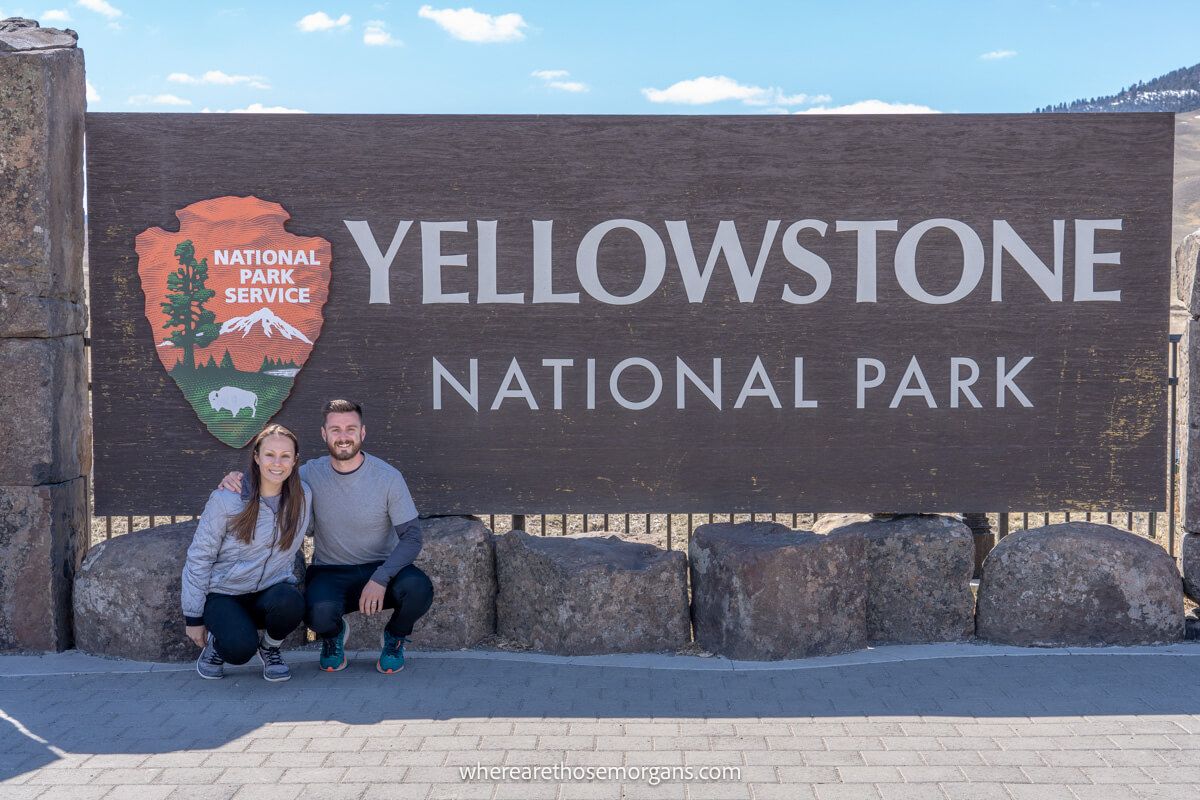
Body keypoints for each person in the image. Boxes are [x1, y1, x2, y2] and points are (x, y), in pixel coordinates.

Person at [221, 399, 433, 674]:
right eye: (335, 430)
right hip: (331, 570)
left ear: (362, 433)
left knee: (419, 589)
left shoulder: (388, 477)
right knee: (316, 615)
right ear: (324, 434)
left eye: (350, 429)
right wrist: (237, 478)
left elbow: (412, 537)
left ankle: (395, 637)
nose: (343, 437)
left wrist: (381, 578)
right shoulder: (309, 473)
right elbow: (271, 475)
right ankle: (333, 636)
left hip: (381, 569)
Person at [183, 424, 313, 682]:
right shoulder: (227, 499)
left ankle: (270, 648)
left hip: (269, 589)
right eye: (269, 455)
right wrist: (193, 617)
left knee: (292, 602)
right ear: (256, 456)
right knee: (240, 650)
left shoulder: (303, 496)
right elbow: (200, 556)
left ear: (295, 460)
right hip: (225, 593)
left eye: (285, 456)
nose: (277, 463)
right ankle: (218, 646)